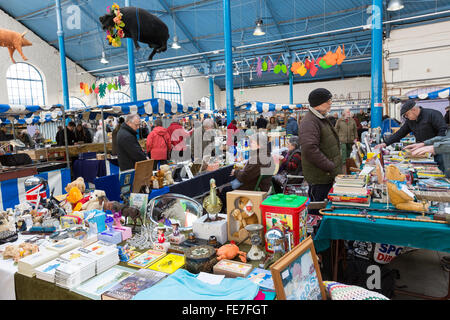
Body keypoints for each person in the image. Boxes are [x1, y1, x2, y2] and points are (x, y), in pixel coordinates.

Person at [299, 88, 341, 209]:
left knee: (324, 208)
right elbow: (309, 149)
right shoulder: (310, 121)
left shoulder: (319, 118)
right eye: (328, 101)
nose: (330, 103)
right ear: (319, 103)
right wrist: (330, 166)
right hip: (320, 177)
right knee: (318, 211)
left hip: (326, 175)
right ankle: (317, 228)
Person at [376, 100, 447, 149]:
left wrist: (431, 145)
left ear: (414, 110)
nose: (406, 117)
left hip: (437, 149)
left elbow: (443, 133)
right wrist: (385, 143)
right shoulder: (410, 121)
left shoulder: (433, 114)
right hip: (421, 149)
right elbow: (400, 133)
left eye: (407, 115)